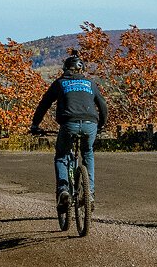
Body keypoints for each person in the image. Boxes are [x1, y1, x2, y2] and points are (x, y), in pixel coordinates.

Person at [29, 51, 108, 214]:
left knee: (61, 155)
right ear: (81, 70)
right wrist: (101, 124)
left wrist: (35, 125)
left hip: (69, 124)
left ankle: (64, 190)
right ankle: (90, 194)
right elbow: (103, 105)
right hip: (90, 123)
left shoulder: (60, 83)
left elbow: (44, 104)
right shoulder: (90, 83)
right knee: (88, 153)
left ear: (65, 69)